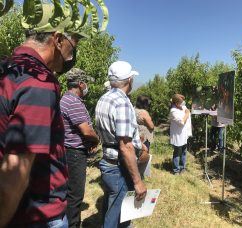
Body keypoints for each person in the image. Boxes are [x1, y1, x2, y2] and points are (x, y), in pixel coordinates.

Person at [0, 2, 108, 227]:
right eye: (73, 44)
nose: (72, 53)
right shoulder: (38, 82)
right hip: (38, 214)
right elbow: (14, 174)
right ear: (57, 39)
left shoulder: (10, 69)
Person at [95, 61, 147, 228]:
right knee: (116, 217)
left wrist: (136, 138)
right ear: (129, 79)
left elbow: (115, 133)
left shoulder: (105, 98)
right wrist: (138, 182)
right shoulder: (122, 102)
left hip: (108, 161)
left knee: (112, 207)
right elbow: (125, 146)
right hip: (119, 167)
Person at [60, 68, 99, 228]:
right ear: (81, 84)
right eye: (86, 83)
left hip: (70, 151)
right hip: (74, 154)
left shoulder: (66, 99)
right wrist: (96, 140)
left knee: (71, 192)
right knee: (75, 194)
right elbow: (86, 130)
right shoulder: (73, 102)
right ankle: (73, 224)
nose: (87, 86)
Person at [169, 94, 192, 175]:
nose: (183, 103)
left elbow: (186, 110)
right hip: (178, 135)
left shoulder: (182, 107)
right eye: (181, 102)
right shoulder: (173, 111)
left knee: (184, 152)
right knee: (177, 152)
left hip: (184, 134)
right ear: (176, 103)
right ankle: (176, 169)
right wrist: (187, 113)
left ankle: (182, 167)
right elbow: (181, 122)